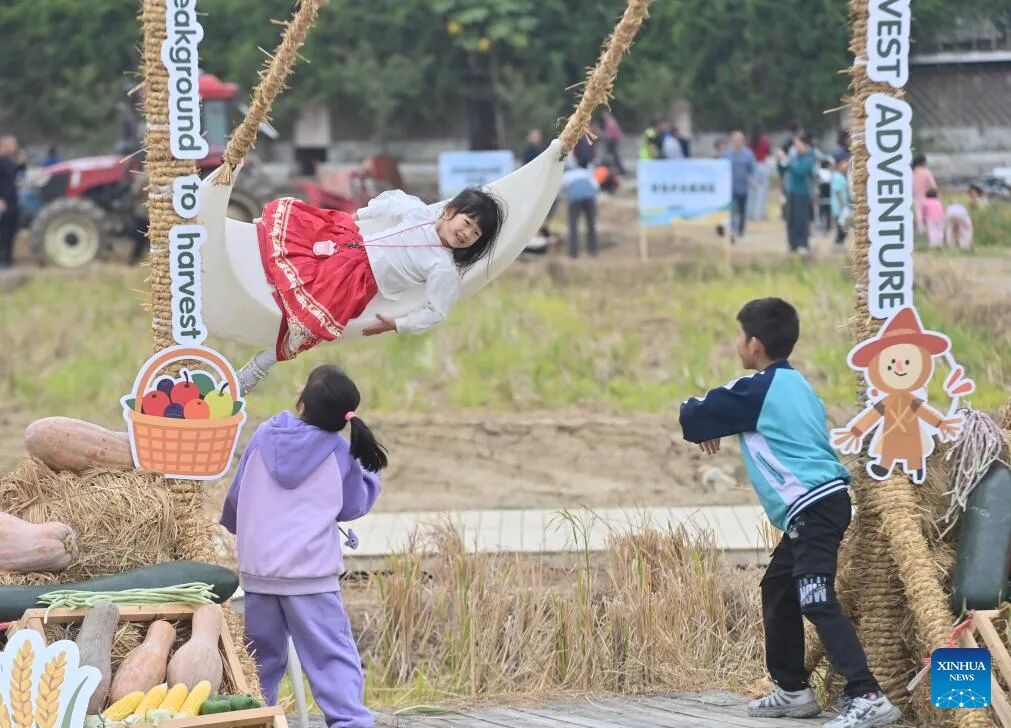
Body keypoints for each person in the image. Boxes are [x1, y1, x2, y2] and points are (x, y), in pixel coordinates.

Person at [679, 298, 901, 728]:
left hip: (812, 506)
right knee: (778, 589)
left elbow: (693, 414)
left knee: (815, 598)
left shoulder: (756, 390)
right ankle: (793, 690)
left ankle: (867, 695)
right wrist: (718, 423)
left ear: (754, 344)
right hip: (823, 502)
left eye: (739, 335)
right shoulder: (798, 385)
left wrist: (710, 424)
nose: (736, 343)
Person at [221, 365, 385, 728]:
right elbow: (353, 505)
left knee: (259, 662)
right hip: (309, 577)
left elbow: (236, 497)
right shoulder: (339, 452)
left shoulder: (263, 437)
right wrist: (370, 475)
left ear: (301, 404)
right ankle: (350, 722)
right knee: (331, 657)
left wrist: (241, 530)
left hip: (259, 572)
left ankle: (255, 721)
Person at [236, 187, 504, 395]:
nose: (467, 233)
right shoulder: (419, 214)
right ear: (449, 211)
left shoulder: (443, 268)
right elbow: (392, 203)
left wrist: (397, 324)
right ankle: (239, 264)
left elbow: (436, 311)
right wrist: (360, 216)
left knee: (310, 327)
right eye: (467, 222)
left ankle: (259, 366)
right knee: (294, 233)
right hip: (346, 246)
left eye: (476, 234)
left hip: (355, 284)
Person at [777, 133, 815, 255]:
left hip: (803, 192)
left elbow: (800, 171)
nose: (796, 147)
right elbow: (784, 169)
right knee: (791, 219)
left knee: (801, 219)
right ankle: (792, 244)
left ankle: (803, 243)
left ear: (805, 145)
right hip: (791, 191)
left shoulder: (809, 157)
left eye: (798, 144)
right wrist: (780, 161)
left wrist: (787, 160)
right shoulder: (795, 156)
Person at [562, 158, 600, 258]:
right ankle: (593, 250)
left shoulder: (566, 175)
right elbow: (596, 186)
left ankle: (574, 253)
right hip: (590, 198)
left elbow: (561, 189)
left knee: (573, 225)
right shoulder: (585, 172)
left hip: (575, 200)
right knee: (591, 225)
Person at [723, 131, 756, 239]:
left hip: (743, 187)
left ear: (743, 141)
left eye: (739, 140)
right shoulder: (727, 155)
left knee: (742, 210)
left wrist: (753, 180)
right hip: (731, 187)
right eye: (735, 140)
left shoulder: (748, 154)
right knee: (733, 209)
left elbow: (752, 169)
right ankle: (733, 229)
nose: (737, 142)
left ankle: (741, 230)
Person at [0, 135, 23, 268]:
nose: (15, 147)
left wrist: (22, 162)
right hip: (2, 202)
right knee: (3, 231)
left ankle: (8, 259)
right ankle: (2, 259)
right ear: (4, 145)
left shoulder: (10, 162)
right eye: (13, 144)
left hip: (13, 200)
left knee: (12, 230)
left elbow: (20, 176)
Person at [747, 123, 771, 221]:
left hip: (752, 166)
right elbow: (768, 151)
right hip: (762, 165)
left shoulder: (750, 140)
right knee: (762, 191)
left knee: (751, 192)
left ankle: (749, 213)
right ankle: (759, 214)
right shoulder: (764, 140)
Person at [911, 154, 937, 235]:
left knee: (918, 213)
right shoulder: (926, 172)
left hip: (916, 195)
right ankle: (929, 229)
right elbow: (933, 185)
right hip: (927, 196)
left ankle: (921, 230)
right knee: (928, 213)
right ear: (923, 162)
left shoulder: (913, 172)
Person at [830, 158, 850, 250]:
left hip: (843, 206)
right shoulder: (837, 177)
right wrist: (843, 206)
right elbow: (837, 192)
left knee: (844, 226)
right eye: (843, 163)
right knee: (841, 227)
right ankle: (838, 244)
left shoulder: (842, 176)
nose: (846, 165)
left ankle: (840, 243)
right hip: (838, 207)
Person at [817, 160, 833, 235]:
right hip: (828, 195)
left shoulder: (819, 173)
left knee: (821, 213)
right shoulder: (829, 173)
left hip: (822, 195)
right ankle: (827, 227)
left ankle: (821, 227)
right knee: (827, 213)